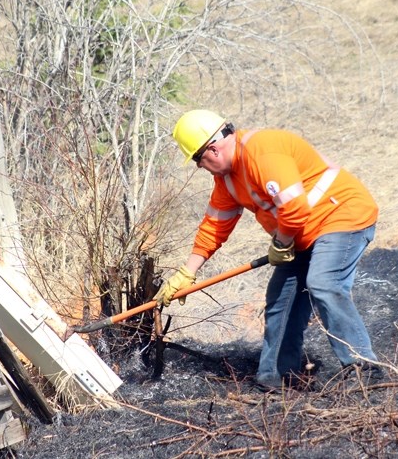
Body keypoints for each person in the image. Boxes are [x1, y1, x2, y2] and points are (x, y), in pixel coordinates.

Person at [154, 109, 382, 388]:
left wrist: (282, 243)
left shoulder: (263, 153)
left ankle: (363, 368)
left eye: (197, 160)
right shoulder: (226, 179)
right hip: (298, 233)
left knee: (323, 282)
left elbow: (294, 207)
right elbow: (215, 225)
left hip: (342, 216)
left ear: (212, 149)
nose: (200, 167)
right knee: (281, 299)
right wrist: (186, 273)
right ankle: (277, 377)